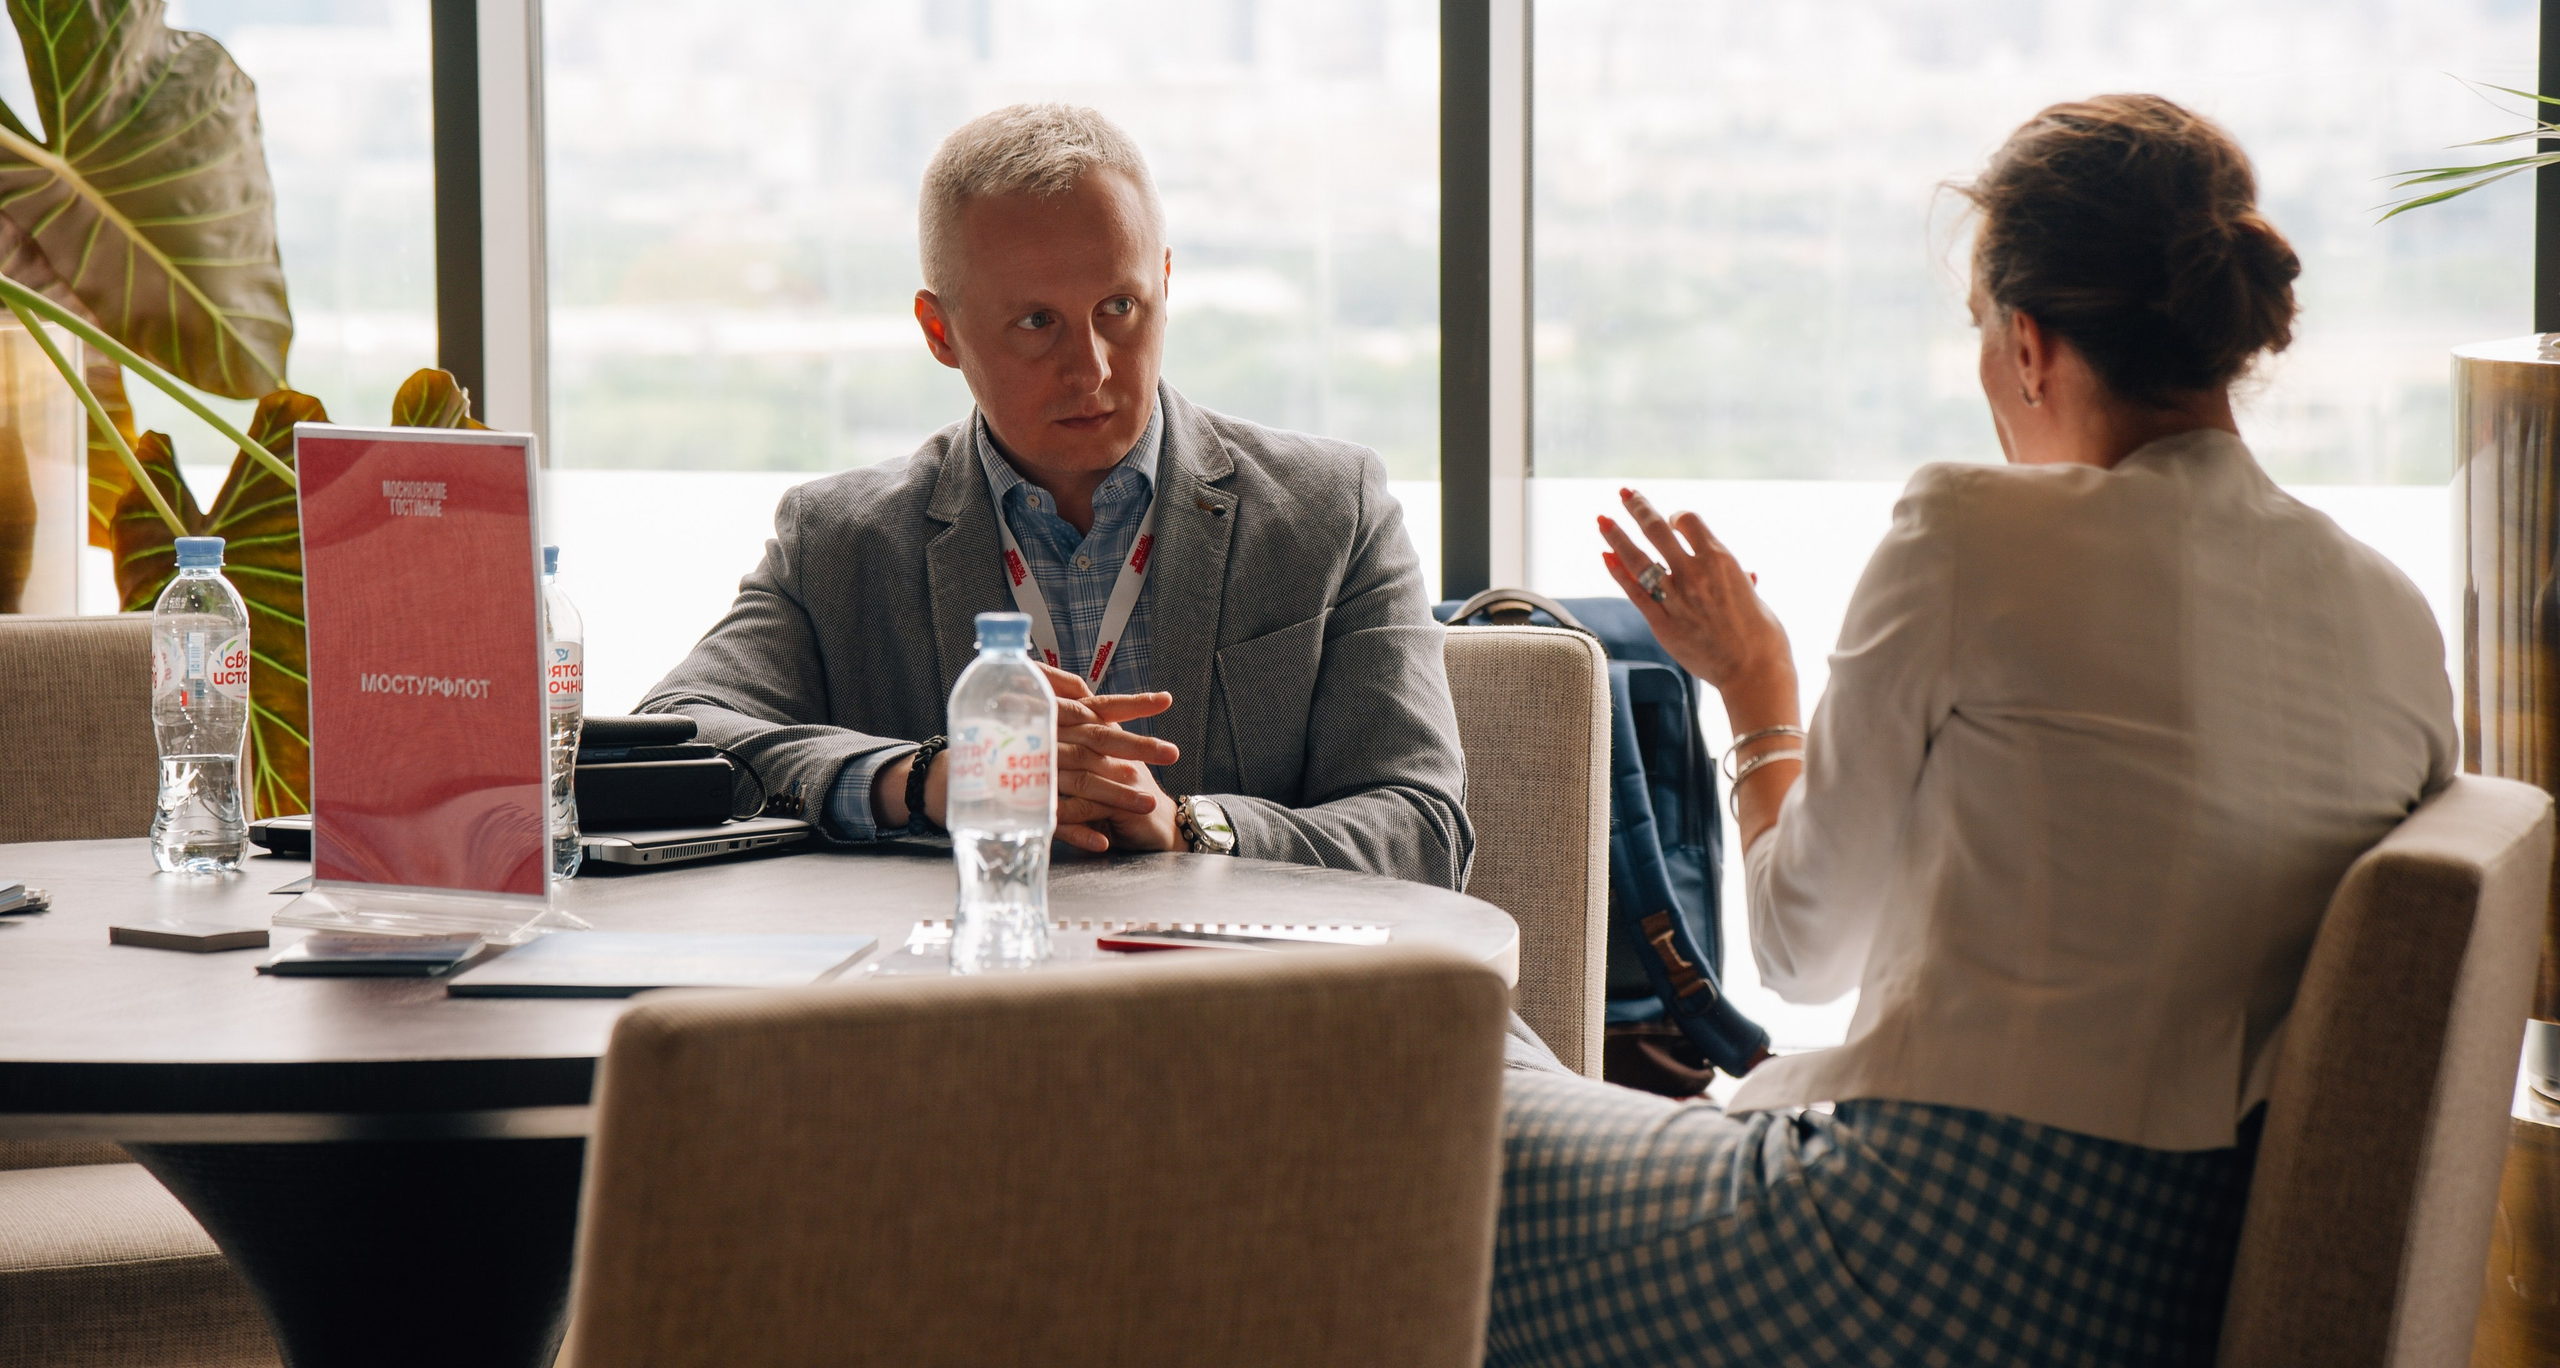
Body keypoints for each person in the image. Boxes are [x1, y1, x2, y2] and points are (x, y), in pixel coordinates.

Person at [1486, 94, 2456, 1366]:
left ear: (2030, 343)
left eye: (1978, 334)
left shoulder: (1970, 530)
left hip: (1925, 1247)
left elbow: (1801, 946)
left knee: (1432, 1088)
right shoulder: (2392, 614)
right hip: (2172, 1281)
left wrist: (1758, 685)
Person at [639, 103, 1469, 888]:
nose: (1094, 369)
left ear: (1166, 283)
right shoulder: (841, 541)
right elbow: (670, 737)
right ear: (940, 332)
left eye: (1119, 307)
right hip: (965, 1010)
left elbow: (1427, 829)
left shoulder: (1332, 510)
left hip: (1275, 1011)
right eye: (1038, 323)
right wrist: (925, 775)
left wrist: (1191, 826)